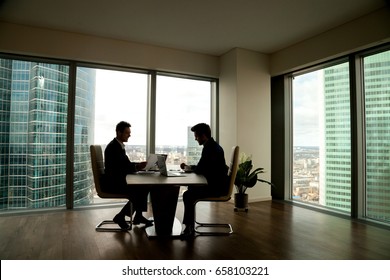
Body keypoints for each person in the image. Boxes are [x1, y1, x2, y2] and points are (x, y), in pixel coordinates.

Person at [179, 123, 229, 239]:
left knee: (188, 195)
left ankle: (189, 228)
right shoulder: (212, 146)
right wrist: (190, 167)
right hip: (216, 184)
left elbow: (202, 169)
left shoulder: (210, 149)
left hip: (216, 188)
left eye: (196, 136)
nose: (195, 138)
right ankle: (189, 225)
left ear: (204, 135)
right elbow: (203, 167)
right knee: (190, 191)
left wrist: (190, 169)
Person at [104, 121, 153, 230]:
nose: (129, 135)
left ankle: (138, 216)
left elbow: (124, 164)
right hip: (114, 183)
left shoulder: (117, 145)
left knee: (143, 187)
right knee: (141, 189)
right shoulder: (114, 147)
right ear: (119, 132)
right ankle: (121, 216)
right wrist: (136, 167)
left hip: (117, 180)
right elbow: (121, 168)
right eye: (127, 133)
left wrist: (138, 166)